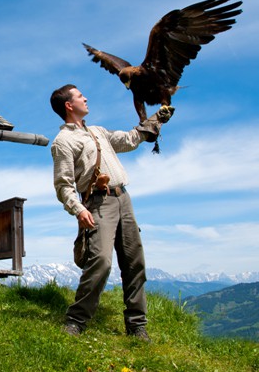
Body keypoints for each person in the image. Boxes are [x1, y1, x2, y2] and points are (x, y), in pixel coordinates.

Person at [50, 84, 174, 342]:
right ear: (69, 106)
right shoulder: (63, 142)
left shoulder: (98, 131)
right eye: (80, 95)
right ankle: (76, 320)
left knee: (134, 261)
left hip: (123, 199)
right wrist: (79, 209)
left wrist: (156, 119)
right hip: (97, 204)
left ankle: (137, 325)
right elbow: (63, 185)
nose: (86, 97)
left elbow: (129, 140)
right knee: (101, 261)